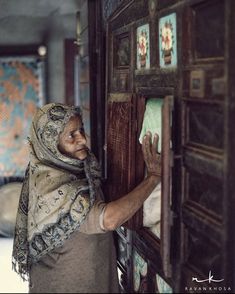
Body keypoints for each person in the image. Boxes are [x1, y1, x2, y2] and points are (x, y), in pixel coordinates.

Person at [12, 103, 161, 293]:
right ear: (50, 144)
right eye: (71, 135)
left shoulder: (72, 170)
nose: (82, 139)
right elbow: (108, 219)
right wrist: (153, 178)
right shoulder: (53, 187)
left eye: (81, 129)